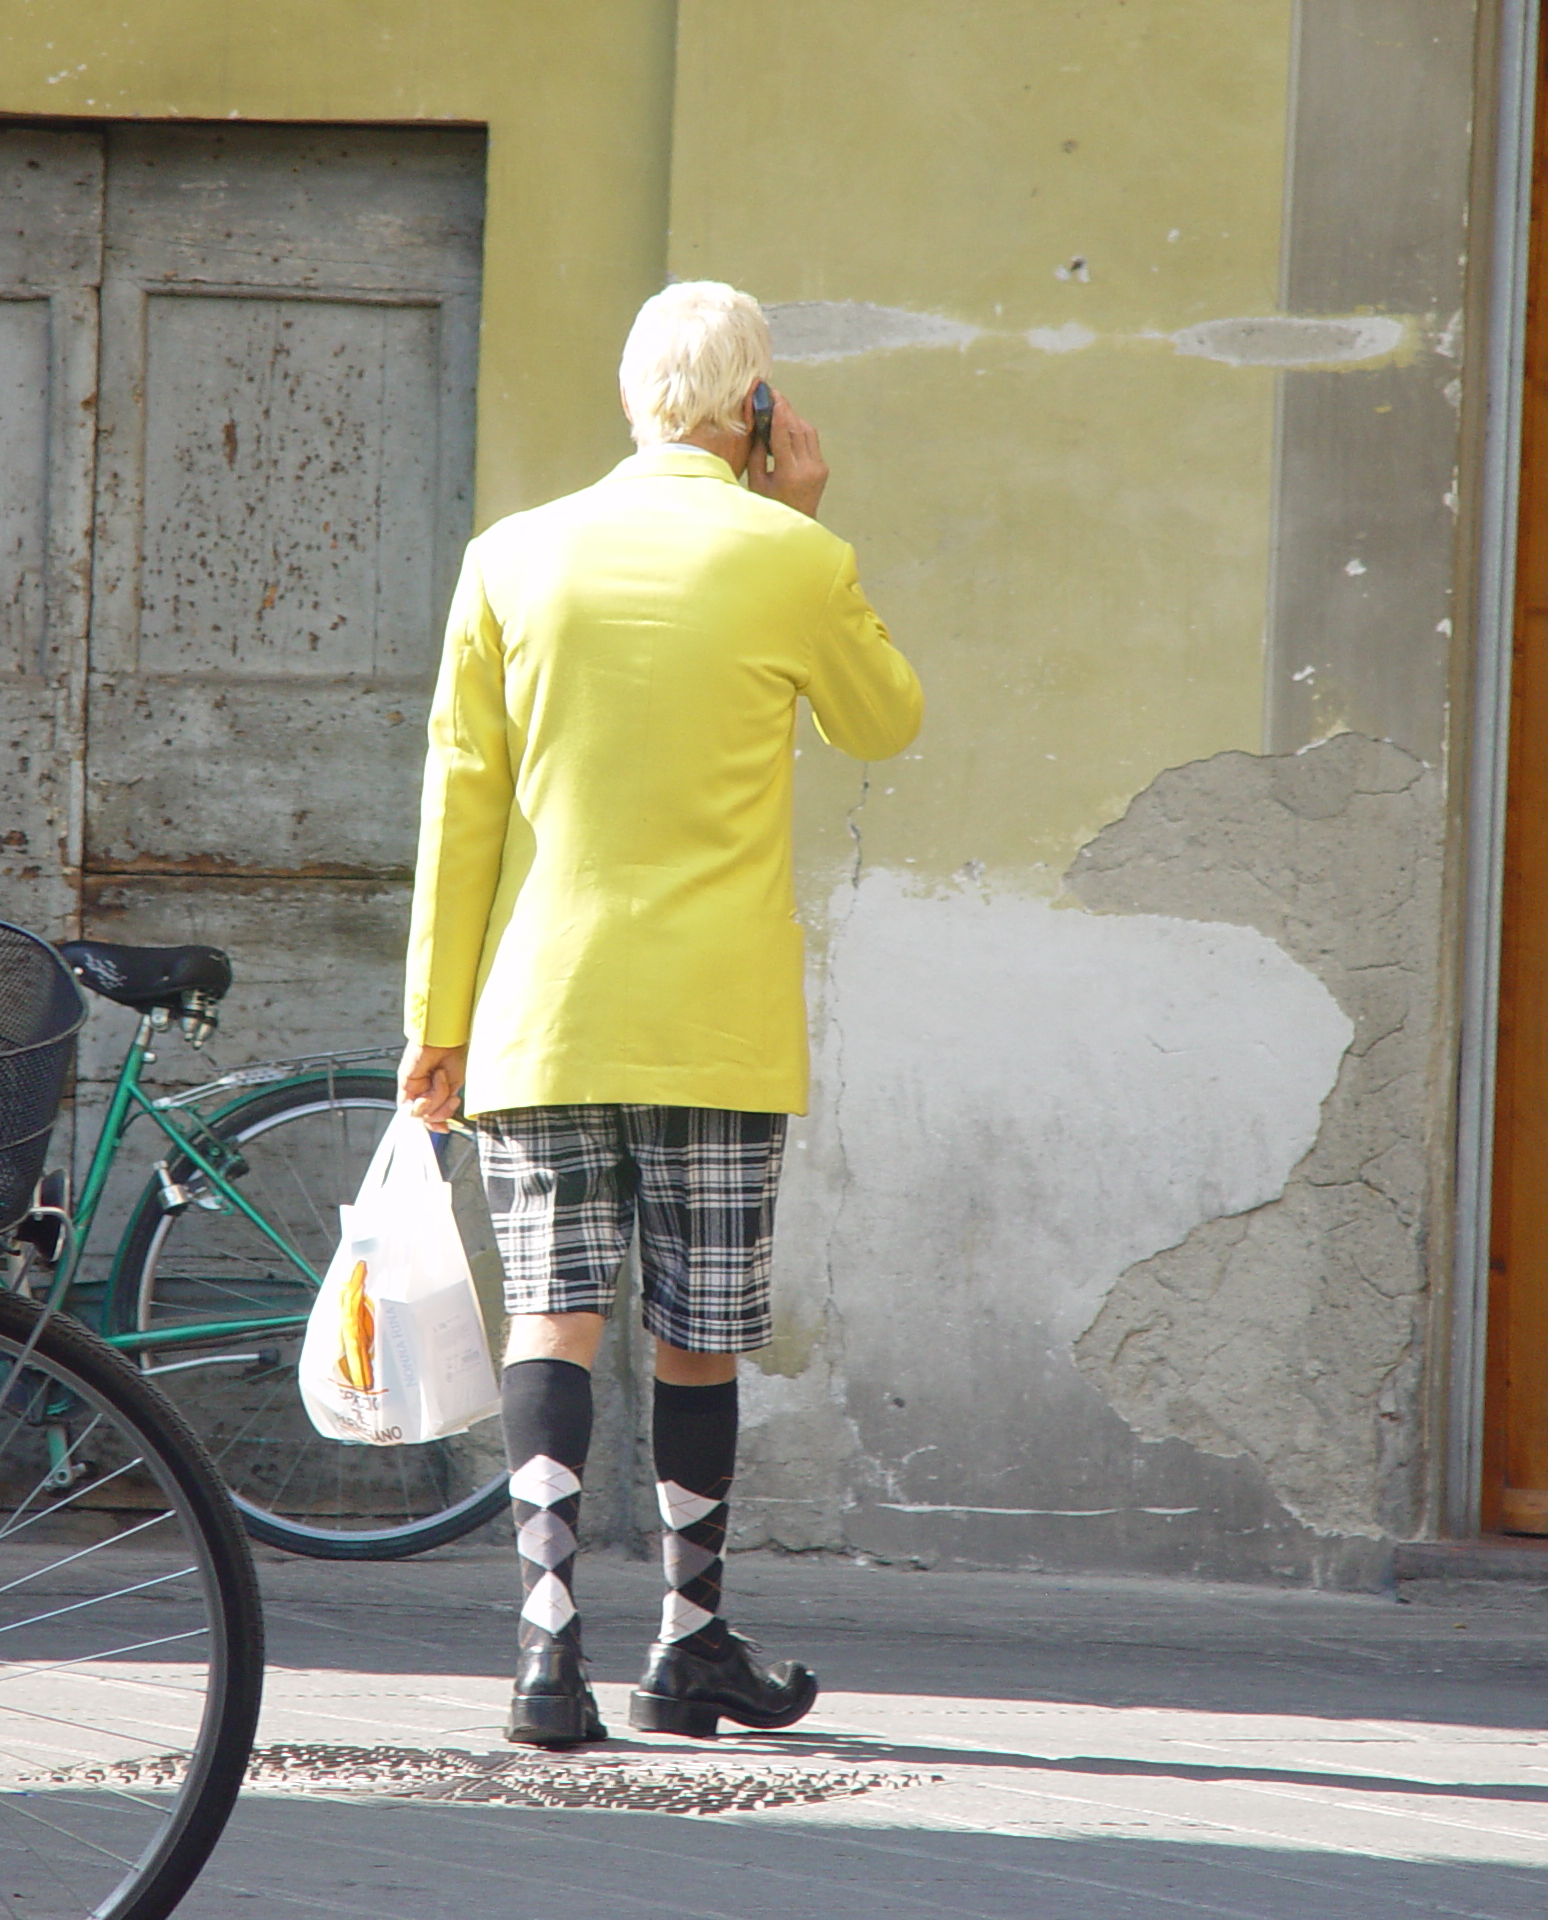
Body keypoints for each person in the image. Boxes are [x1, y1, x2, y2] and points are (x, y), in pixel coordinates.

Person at [399, 280, 923, 1748]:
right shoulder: (789, 560)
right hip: (717, 1022)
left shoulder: (511, 557)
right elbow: (886, 720)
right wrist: (811, 522)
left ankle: (544, 1654)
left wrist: (435, 1021)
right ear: (757, 410)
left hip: (541, 1011)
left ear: (634, 399)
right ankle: (689, 1643)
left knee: (554, 1324)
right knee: (698, 1339)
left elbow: (461, 806)